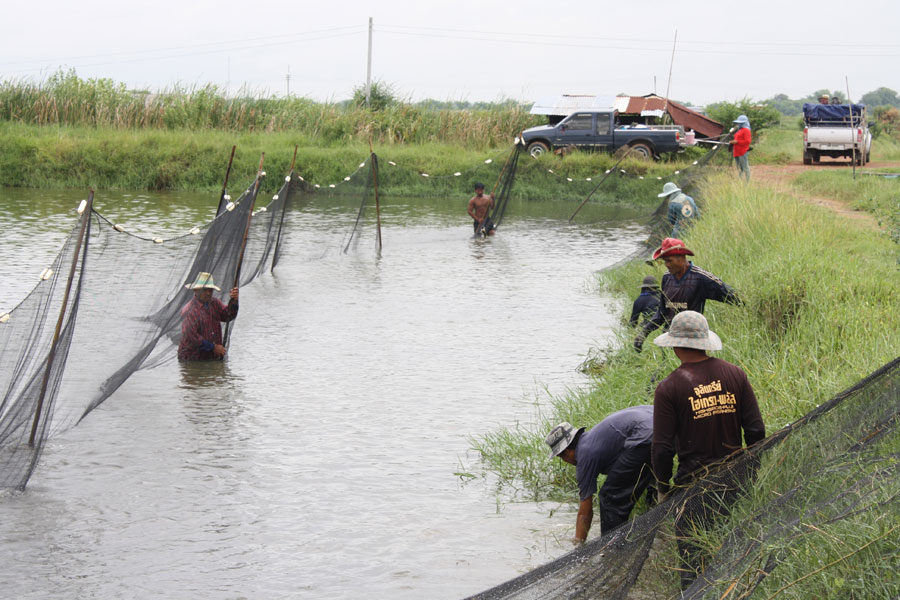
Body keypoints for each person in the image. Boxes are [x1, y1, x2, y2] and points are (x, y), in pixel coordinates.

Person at [651, 310, 765, 589]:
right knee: (729, 551)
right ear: (704, 343)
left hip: (694, 488)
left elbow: (663, 449)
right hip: (735, 482)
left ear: (676, 346)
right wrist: (750, 472)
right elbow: (756, 432)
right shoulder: (735, 374)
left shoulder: (669, 388)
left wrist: (663, 489)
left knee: (693, 561)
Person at [545, 406, 655, 543]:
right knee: (639, 472)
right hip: (662, 421)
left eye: (561, 457)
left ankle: (612, 547)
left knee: (609, 498)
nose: (566, 461)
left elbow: (584, 513)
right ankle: (656, 508)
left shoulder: (584, 456)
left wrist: (578, 544)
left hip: (646, 436)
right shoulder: (594, 439)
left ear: (566, 452)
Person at [634, 238, 739, 352]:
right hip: (669, 340)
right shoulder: (666, 278)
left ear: (682, 257)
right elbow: (662, 313)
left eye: (669, 260)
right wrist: (643, 333)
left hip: (691, 342)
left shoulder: (702, 278)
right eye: (665, 261)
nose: (667, 265)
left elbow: (732, 296)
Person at [178, 271, 239, 361]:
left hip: (211, 357)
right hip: (192, 359)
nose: (208, 293)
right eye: (204, 290)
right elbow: (191, 337)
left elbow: (227, 315)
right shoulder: (189, 311)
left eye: (210, 290)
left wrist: (233, 301)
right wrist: (213, 347)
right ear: (196, 290)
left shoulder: (214, 303)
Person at [730, 115, 752, 181]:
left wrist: (737, 142)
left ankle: (747, 181)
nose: (739, 124)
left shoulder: (746, 130)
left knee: (745, 167)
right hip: (736, 151)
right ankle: (740, 180)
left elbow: (747, 141)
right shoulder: (739, 130)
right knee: (739, 167)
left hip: (743, 151)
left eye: (741, 123)